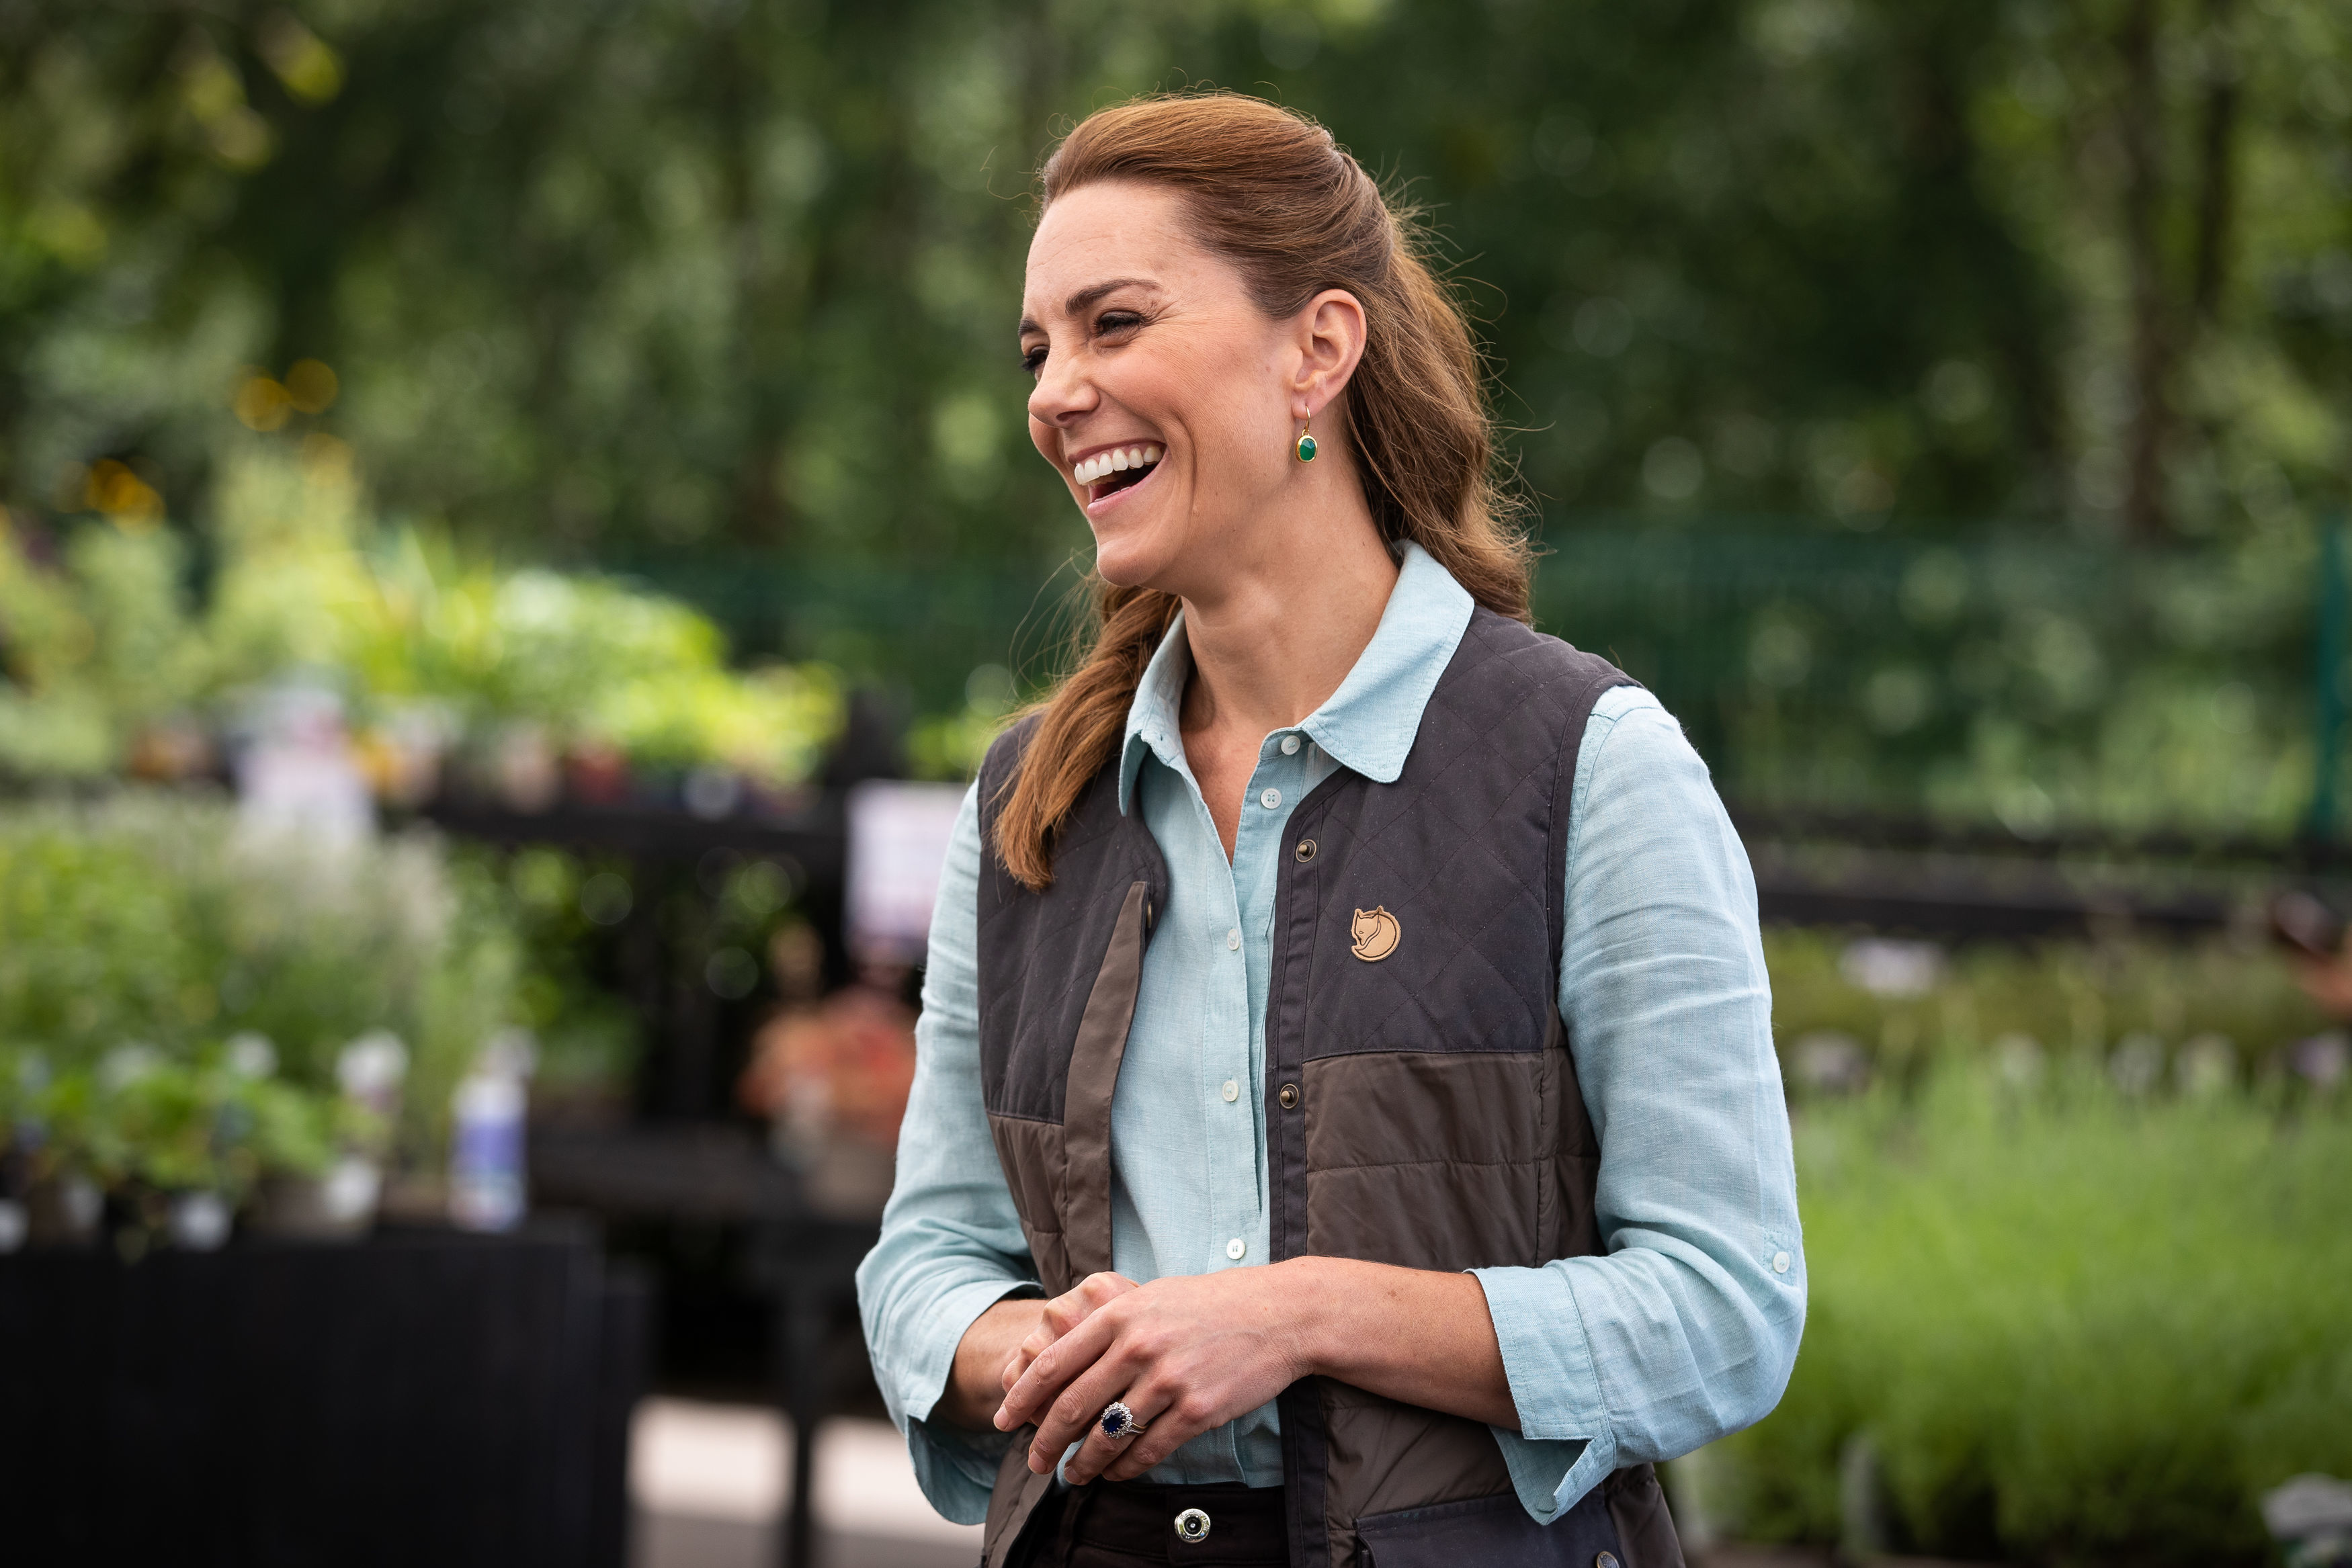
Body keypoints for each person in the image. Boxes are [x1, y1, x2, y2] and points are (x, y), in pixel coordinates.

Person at [856, 91, 1804, 1568]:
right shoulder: (1028, 804)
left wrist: (1291, 1317)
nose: (1054, 392)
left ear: (1319, 349)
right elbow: (924, 1261)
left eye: (1114, 324)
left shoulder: (1589, 769)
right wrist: (1063, 1353)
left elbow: (1725, 1309)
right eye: (1038, 350)